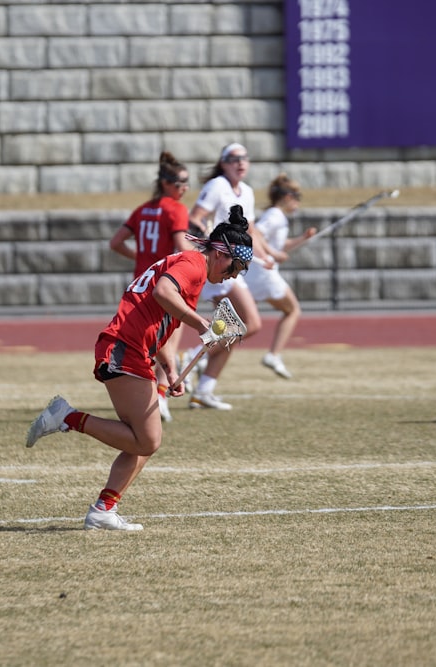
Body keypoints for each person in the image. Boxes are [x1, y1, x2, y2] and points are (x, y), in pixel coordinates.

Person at [26, 206, 254, 531]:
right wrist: (201, 321)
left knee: (144, 439)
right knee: (148, 441)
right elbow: (163, 293)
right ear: (221, 253)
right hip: (123, 347)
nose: (234, 275)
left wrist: (171, 371)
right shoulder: (192, 264)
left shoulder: (193, 270)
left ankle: (104, 508)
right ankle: (66, 417)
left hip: (135, 350)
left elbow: (160, 324)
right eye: (237, 266)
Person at [181, 142, 270, 410]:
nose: (240, 163)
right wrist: (212, 245)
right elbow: (194, 218)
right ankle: (191, 357)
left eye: (244, 158)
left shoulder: (248, 192)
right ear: (223, 163)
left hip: (233, 267)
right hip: (217, 266)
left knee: (233, 328)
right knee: (248, 323)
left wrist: (268, 255)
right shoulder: (218, 186)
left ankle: (204, 389)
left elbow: (252, 230)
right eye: (233, 159)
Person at [108, 151, 195, 422]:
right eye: (181, 183)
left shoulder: (142, 210)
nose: (185, 188)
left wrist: (142, 258)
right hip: (167, 283)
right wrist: (203, 257)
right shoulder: (176, 210)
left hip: (140, 285)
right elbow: (182, 246)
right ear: (167, 183)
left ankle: (152, 397)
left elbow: (116, 242)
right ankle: (159, 397)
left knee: (151, 345)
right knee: (166, 342)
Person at [244, 174, 316, 379]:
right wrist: (273, 255)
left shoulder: (277, 217)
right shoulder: (275, 215)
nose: (298, 201)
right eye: (296, 196)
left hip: (259, 273)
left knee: (239, 324)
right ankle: (274, 355)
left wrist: (302, 239)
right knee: (292, 310)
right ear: (286, 196)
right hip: (264, 273)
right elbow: (255, 234)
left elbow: (278, 244)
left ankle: (200, 358)